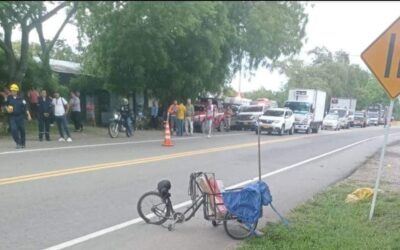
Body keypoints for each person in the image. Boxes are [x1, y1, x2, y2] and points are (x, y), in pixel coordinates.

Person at [5, 83, 32, 149]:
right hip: (13, 117)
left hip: (20, 117)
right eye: (12, 91)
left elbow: (26, 108)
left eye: (14, 91)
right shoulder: (9, 98)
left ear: (17, 91)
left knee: (22, 130)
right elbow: (5, 105)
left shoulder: (21, 99)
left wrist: (28, 115)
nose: (13, 92)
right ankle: (18, 142)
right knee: (14, 130)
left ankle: (23, 143)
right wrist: (7, 109)